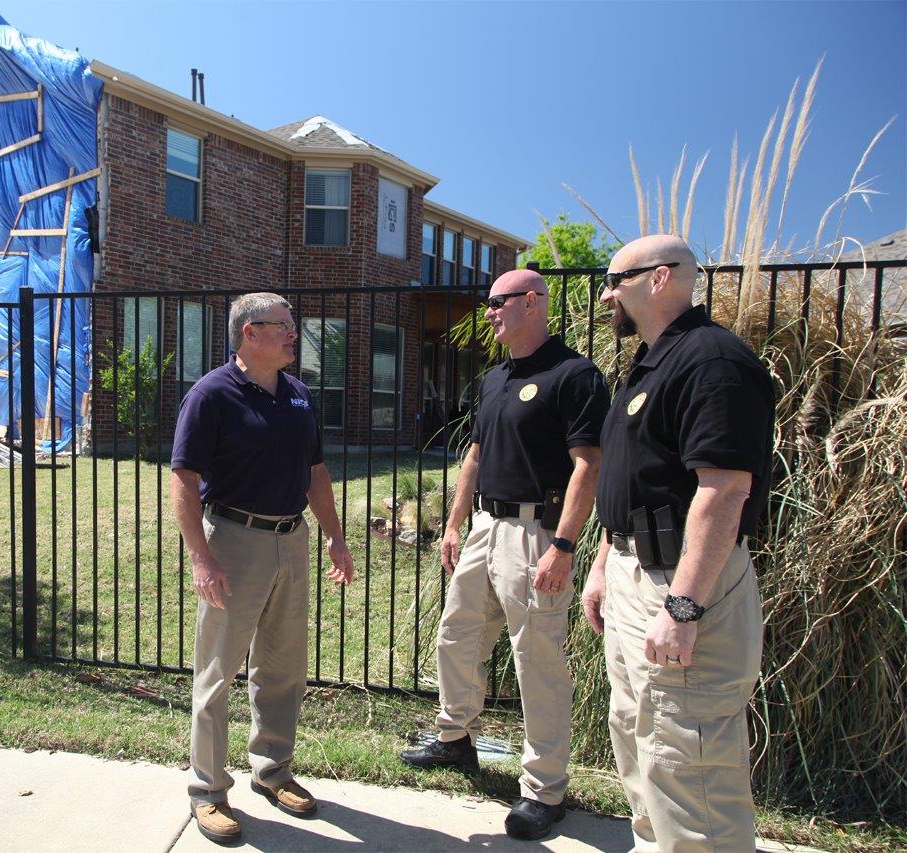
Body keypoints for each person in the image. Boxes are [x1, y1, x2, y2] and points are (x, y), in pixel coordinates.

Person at [400, 269, 609, 841]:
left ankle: (545, 789)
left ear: (535, 303)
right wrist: (455, 524)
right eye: (488, 302)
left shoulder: (575, 375)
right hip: (484, 529)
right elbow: (474, 453)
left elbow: (589, 466)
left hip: (535, 533)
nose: (488, 311)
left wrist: (563, 546)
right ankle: (455, 740)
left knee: (537, 657)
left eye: (499, 302)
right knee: (456, 635)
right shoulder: (495, 378)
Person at [582, 235, 773, 852]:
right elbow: (634, 482)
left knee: (688, 762)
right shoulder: (653, 362)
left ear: (660, 278)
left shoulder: (712, 361)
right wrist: (604, 565)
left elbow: (723, 492)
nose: (606, 293)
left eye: (615, 279)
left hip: (684, 588)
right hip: (637, 577)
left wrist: (683, 607)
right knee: (640, 740)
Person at [170, 292, 355, 845]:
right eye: (284, 326)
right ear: (250, 333)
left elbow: (316, 471)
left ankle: (272, 770)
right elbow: (182, 479)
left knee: (282, 668)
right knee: (217, 671)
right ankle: (207, 791)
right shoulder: (212, 394)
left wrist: (335, 537)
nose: (294, 335)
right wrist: (201, 558)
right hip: (233, 539)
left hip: (290, 539)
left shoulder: (298, 395)